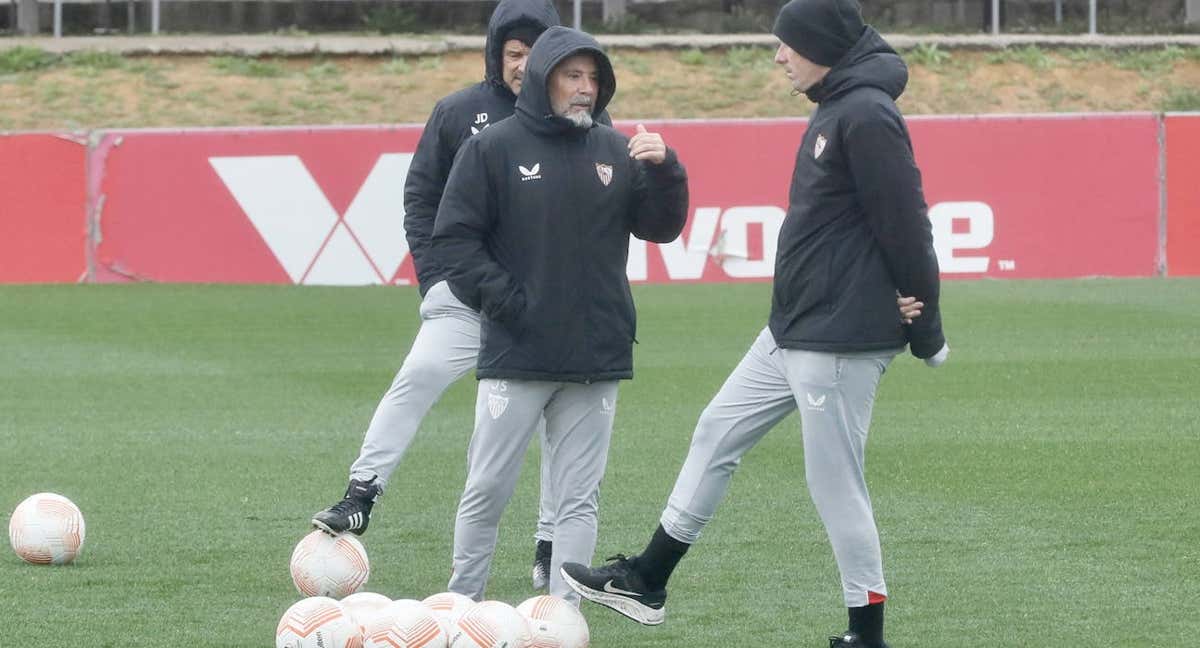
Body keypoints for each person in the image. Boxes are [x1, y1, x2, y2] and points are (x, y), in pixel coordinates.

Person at [560, 1, 948, 646]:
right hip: (795, 326)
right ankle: (648, 580)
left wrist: (925, 324)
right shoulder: (836, 107)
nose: (777, 55)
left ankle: (867, 632)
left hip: (840, 337)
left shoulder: (867, 114)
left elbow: (906, 223)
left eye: (787, 43)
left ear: (821, 44)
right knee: (716, 430)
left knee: (835, 484)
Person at [311, 0, 574, 591]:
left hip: (543, 309)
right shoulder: (459, 113)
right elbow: (421, 198)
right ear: (496, 55)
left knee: (556, 420)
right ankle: (361, 494)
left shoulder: (578, 114)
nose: (523, 64)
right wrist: (435, 278)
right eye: (513, 53)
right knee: (416, 378)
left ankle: (550, 535)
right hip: (465, 299)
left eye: (535, 52)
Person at [430, 26, 689, 605]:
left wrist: (668, 171)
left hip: (595, 355)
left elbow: (660, 228)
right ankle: (461, 606)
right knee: (487, 490)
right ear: (544, 78)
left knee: (578, 498)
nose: (586, 89)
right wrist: (509, 304)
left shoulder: (615, 149)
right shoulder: (491, 148)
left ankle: (562, 619)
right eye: (573, 76)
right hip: (516, 352)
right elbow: (454, 242)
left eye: (594, 78)